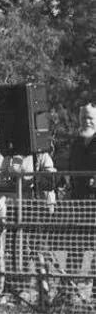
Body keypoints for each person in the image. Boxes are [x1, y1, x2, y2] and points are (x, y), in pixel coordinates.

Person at [67, 103, 96, 299]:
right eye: (84, 117)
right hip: (78, 202)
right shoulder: (75, 142)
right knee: (75, 247)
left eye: (90, 118)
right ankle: (70, 291)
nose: (86, 121)